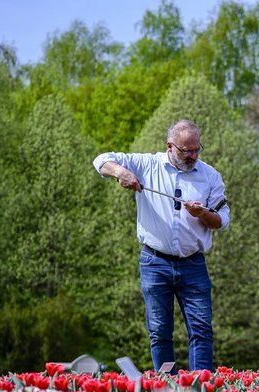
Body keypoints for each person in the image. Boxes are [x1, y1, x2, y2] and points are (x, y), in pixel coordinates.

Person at [93, 119, 230, 372]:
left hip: (193, 263)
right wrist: (121, 172)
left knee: (201, 330)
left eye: (197, 149)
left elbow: (222, 220)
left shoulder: (210, 176)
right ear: (170, 146)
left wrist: (202, 214)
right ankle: (166, 390)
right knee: (159, 331)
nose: (193, 156)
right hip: (154, 262)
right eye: (186, 151)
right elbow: (101, 159)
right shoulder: (147, 164)